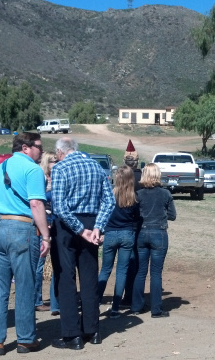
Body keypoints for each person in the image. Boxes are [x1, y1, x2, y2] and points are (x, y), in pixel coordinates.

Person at [0, 133, 51, 356]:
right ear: (25, 147)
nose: (41, 151)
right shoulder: (32, 170)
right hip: (22, 228)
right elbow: (36, 203)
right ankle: (26, 339)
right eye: (39, 146)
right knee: (25, 285)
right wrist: (46, 235)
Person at [50, 137, 115, 350]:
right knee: (89, 278)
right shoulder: (96, 166)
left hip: (68, 227)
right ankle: (93, 330)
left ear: (60, 152)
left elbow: (59, 205)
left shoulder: (60, 168)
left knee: (65, 278)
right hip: (91, 222)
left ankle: (72, 335)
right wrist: (97, 227)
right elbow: (109, 201)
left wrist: (80, 229)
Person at [131, 163, 176, 318]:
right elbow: (173, 215)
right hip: (159, 233)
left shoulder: (139, 194)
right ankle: (156, 309)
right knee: (156, 272)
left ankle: (136, 306)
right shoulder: (165, 194)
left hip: (142, 233)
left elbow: (134, 215)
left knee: (140, 271)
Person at [97, 165, 139, 318]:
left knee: (105, 270)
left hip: (110, 234)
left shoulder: (109, 196)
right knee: (122, 271)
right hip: (127, 234)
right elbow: (136, 218)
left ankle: (95, 303)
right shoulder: (133, 198)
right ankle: (115, 308)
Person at [35, 151, 58, 315]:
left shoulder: (56, 177)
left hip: (55, 222)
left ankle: (55, 299)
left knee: (57, 263)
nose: (55, 164)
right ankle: (36, 300)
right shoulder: (41, 178)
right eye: (52, 161)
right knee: (39, 265)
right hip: (42, 224)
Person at [121, 139, 142, 307]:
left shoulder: (119, 178)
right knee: (134, 261)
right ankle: (132, 296)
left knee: (123, 263)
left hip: (120, 224)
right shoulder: (141, 177)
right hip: (137, 224)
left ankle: (123, 296)